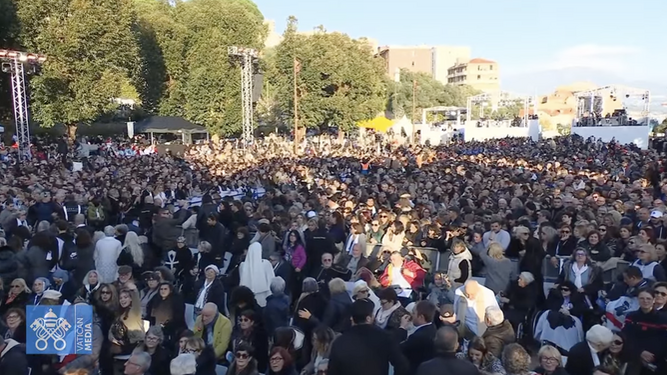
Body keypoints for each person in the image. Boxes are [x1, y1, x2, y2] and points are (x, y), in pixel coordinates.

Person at [327, 299, 410, 375]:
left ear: (352, 318)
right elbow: (402, 365)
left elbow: (333, 371)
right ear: (368, 318)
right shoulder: (383, 337)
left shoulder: (340, 342)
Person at [397, 300, 437, 373]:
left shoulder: (418, 337)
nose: (411, 315)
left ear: (421, 317)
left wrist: (402, 328)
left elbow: (398, 350)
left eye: (414, 313)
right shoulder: (433, 328)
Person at [240, 242, 275, 307]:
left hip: (247, 296)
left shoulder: (243, 265)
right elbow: (271, 280)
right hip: (263, 297)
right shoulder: (266, 264)